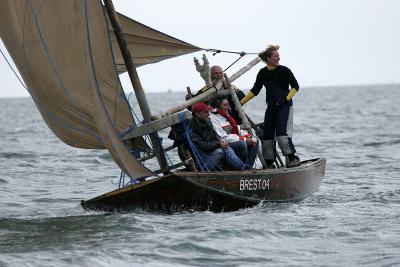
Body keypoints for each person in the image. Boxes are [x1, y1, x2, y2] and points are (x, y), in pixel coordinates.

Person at [240, 45, 300, 168]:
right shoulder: (262, 73)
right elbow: (255, 91)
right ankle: (269, 162)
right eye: (276, 56)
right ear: (268, 58)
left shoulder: (284, 70)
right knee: (267, 136)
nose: (279, 58)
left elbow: (295, 87)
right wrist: (241, 103)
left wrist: (286, 98)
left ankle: (292, 158)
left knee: (282, 135)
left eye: (278, 55)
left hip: (285, 107)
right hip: (271, 107)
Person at [188, 102, 248, 171]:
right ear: (197, 114)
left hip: (213, 149)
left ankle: (241, 167)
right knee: (221, 150)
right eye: (205, 112)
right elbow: (203, 146)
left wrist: (221, 143)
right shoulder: (192, 129)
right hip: (203, 157)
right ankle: (242, 169)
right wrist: (219, 144)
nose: (208, 114)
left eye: (208, 112)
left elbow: (214, 139)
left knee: (241, 144)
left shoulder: (208, 122)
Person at [209, 96, 259, 168]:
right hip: (224, 144)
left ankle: (248, 166)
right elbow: (223, 138)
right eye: (225, 105)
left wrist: (248, 136)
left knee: (255, 140)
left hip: (234, 140)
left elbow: (237, 129)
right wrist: (244, 139)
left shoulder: (226, 116)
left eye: (228, 104)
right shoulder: (213, 119)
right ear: (218, 107)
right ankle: (242, 167)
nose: (228, 107)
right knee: (242, 144)